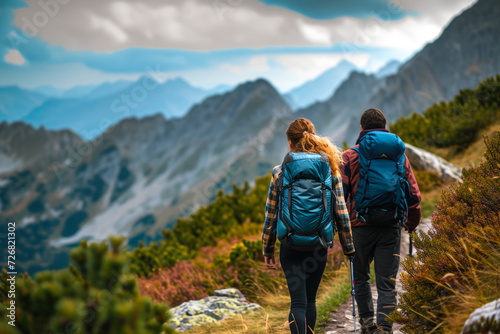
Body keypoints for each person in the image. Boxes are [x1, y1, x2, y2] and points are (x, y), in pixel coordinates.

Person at [262, 118, 355, 334]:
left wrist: (267, 249)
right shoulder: (330, 171)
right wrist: (349, 246)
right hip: (318, 244)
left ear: (289, 142)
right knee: (311, 301)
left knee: (298, 303)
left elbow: (271, 215)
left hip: (290, 245)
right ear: (312, 136)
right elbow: (341, 212)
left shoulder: (279, 172)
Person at [340, 108, 422, 334]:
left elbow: (340, 196)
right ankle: (384, 330)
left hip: (359, 228)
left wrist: (340, 229)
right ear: (385, 126)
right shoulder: (399, 155)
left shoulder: (349, 156)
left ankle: (367, 327)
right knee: (387, 284)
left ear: (361, 129)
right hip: (391, 226)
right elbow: (413, 195)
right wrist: (411, 223)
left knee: (362, 279)